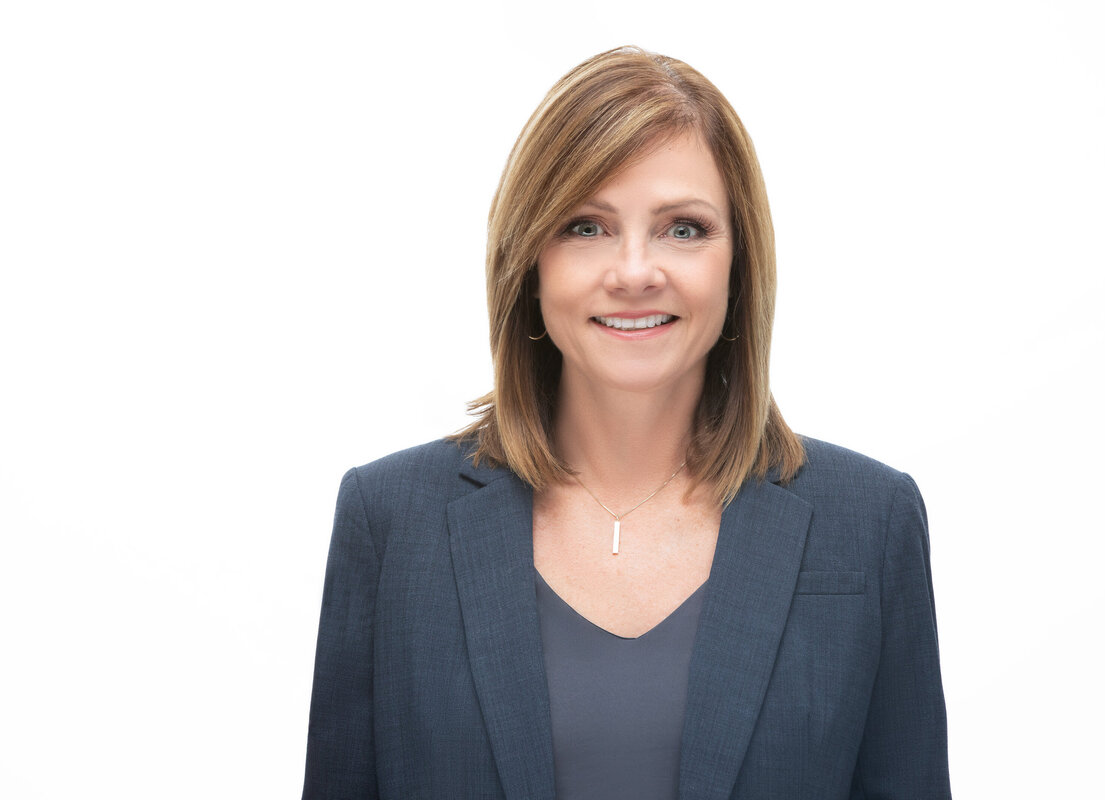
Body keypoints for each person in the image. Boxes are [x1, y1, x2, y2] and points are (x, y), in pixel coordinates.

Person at [302, 46, 950, 800]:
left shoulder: (868, 522)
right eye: (586, 226)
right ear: (528, 262)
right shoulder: (390, 522)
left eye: (683, 228)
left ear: (739, 263)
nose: (636, 271)